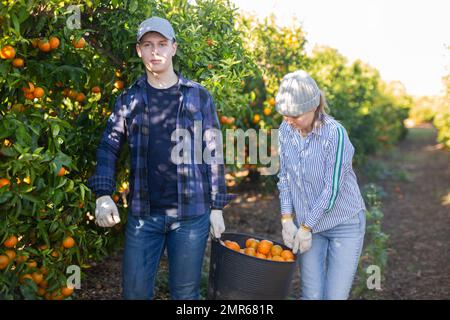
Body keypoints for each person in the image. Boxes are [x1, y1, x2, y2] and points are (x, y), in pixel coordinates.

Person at [87, 16, 235, 300]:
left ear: (174, 48)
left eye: (162, 44)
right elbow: (108, 145)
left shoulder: (198, 96)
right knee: (135, 293)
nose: (155, 51)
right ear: (138, 50)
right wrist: (102, 194)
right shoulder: (129, 100)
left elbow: (213, 151)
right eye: (148, 45)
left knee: (185, 295)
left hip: (191, 215)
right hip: (145, 215)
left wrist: (217, 206)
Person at [275, 70, 367, 300]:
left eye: (294, 114)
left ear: (313, 106)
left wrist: (306, 227)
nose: (288, 119)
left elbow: (331, 188)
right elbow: (284, 175)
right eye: (285, 113)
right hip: (309, 225)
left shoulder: (335, 134)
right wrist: (287, 219)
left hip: (343, 223)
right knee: (311, 295)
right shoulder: (286, 129)